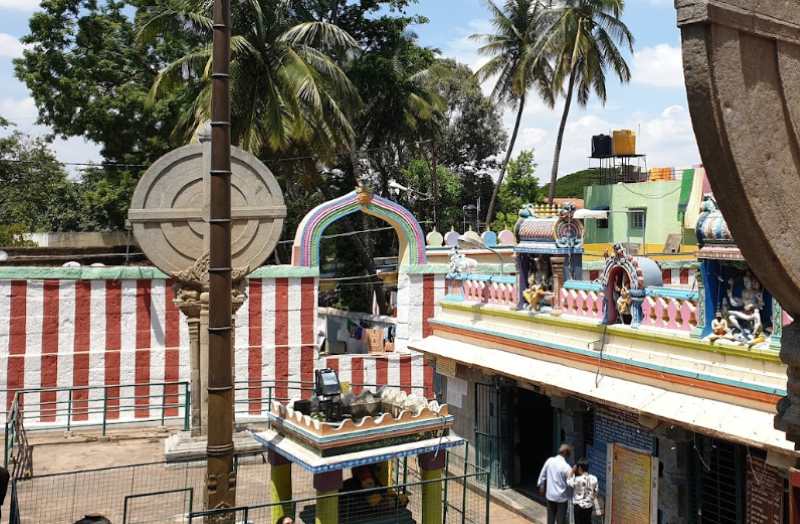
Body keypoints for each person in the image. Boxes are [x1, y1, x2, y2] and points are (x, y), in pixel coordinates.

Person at [537, 443, 572, 524]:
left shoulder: (550, 461)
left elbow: (542, 475)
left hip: (550, 496)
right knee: (560, 520)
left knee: (550, 519)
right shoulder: (567, 467)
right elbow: (571, 483)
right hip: (562, 498)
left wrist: (541, 486)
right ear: (566, 454)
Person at [567, 458, 598, 524]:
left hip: (579, 507)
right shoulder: (594, 478)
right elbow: (595, 492)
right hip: (589, 506)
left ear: (580, 468)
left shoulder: (577, 480)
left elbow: (568, 481)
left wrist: (572, 471)